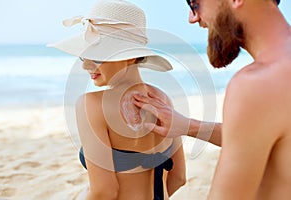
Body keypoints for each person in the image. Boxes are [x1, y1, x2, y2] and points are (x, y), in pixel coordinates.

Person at [134, 0, 291, 199]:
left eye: (194, 3)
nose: (193, 18)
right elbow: (270, 134)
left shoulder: (257, 84)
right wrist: (188, 126)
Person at [48, 0, 186, 199]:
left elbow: (104, 192)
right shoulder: (163, 99)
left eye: (96, 56)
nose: (85, 65)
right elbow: (179, 178)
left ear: (130, 56)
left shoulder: (92, 105)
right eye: (84, 55)